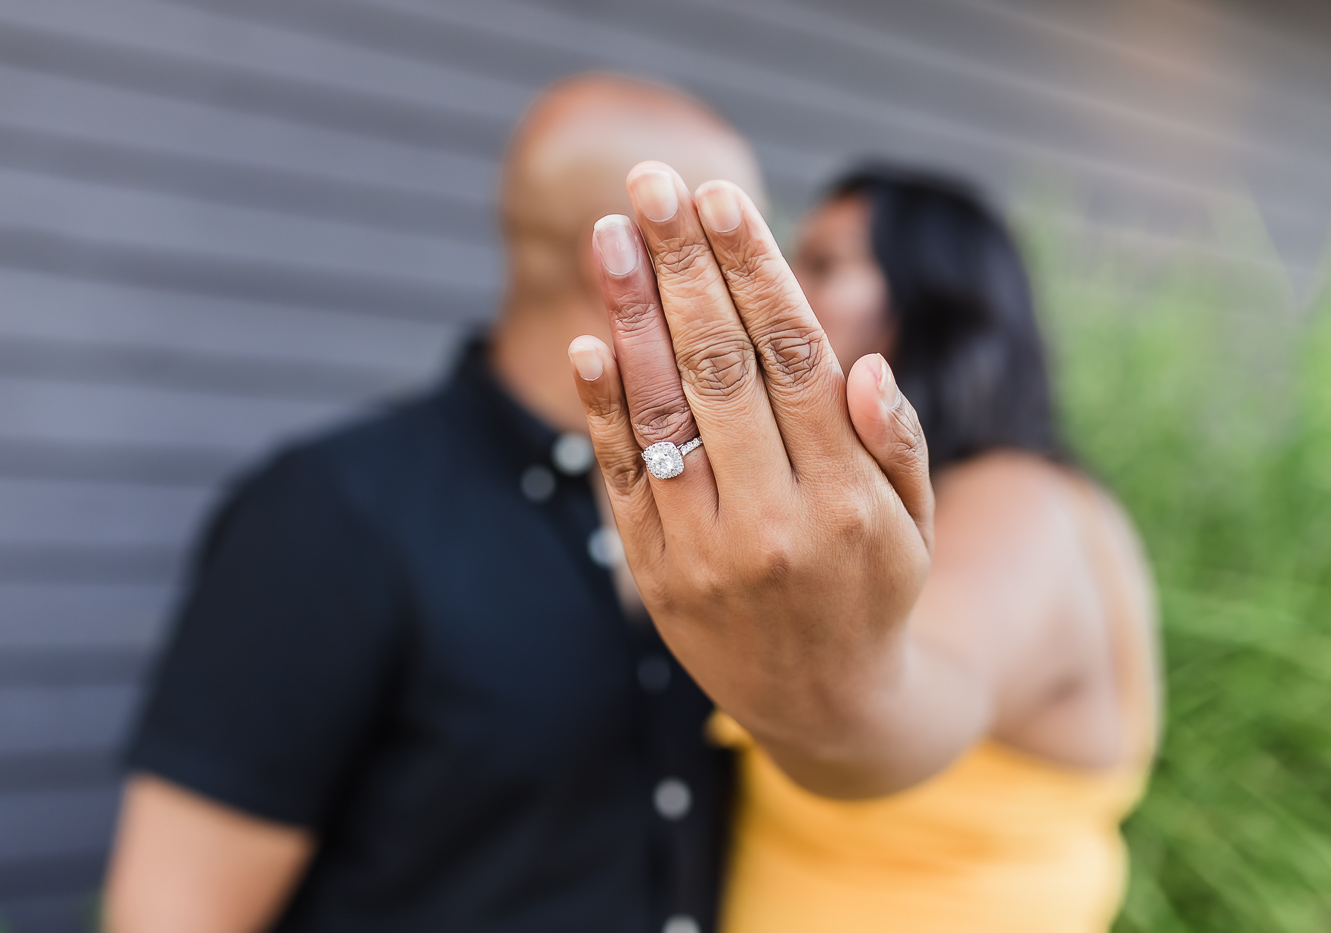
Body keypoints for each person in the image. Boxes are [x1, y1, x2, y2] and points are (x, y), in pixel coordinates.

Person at [103, 75, 765, 933]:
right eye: (732, 245)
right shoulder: (332, 514)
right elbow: (172, 915)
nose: (765, 285)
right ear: (621, 262)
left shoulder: (724, 513)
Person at [568, 164, 1158, 932]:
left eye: (823, 263)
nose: (779, 284)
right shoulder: (820, 516)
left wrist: (819, 685)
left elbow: (908, 708)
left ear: (935, 309)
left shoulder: (1021, 506)